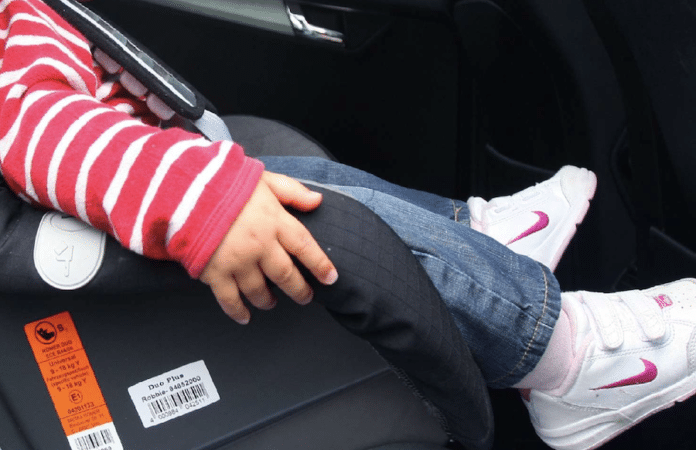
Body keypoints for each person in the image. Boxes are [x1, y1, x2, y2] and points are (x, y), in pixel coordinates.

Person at [2, 1, 696, 449]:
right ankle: (566, 360)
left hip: (141, 155)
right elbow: (34, 127)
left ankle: (477, 245)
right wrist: (199, 201)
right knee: (311, 207)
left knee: (305, 180)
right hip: (108, 222)